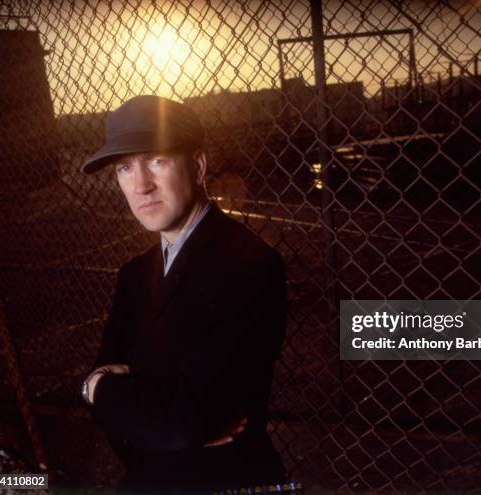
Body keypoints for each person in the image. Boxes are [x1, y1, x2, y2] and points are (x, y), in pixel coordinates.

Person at [80, 95, 288, 494]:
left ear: (197, 165)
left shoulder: (248, 265)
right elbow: (125, 416)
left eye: (157, 159)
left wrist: (98, 388)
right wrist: (102, 393)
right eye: (125, 167)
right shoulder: (134, 275)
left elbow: (189, 418)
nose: (140, 184)